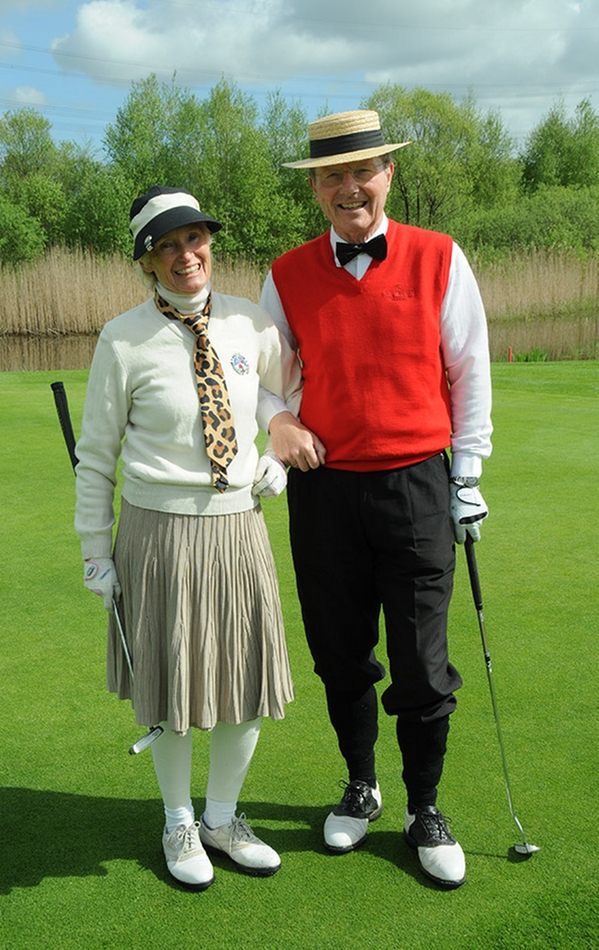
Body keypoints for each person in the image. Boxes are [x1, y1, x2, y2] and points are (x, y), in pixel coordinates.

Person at [261, 110, 492, 889]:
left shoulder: (437, 256)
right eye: (332, 176)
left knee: (421, 663)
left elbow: (468, 368)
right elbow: (262, 379)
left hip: (416, 485)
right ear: (315, 189)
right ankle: (360, 785)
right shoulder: (286, 274)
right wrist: (278, 420)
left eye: (362, 171)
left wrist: (467, 476)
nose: (348, 188)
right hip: (323, 490)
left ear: (387, 175)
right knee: (339, 653)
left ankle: (424, 807)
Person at [74, 186, 305, 892]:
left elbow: (288, 395)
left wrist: (279, 455)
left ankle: (222, 819)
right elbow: (96, 456)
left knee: (245, 684)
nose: (186, 255)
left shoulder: (249, 322)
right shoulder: (122, 338)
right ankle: (178, 822)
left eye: (195, 238)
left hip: (239, 528)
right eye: (167, 245)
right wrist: (95, 551)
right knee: (172, 688)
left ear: (210, 243)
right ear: (146, 262)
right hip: (158, 536)